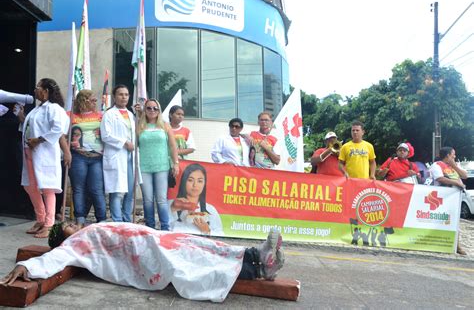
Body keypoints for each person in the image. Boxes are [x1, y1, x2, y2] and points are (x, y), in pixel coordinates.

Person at [0, 222, 285, 302]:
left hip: (152, 237)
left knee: (201, 245)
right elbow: (56, 257)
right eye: (68, 227)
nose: (74, 225)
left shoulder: (89, 229)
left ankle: (254, 254)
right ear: (64, 237)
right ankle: (259, 268)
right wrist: (30, 267)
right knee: (192, 261)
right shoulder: (74, 244)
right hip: (143, 252)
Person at [21, 78, 69, 238]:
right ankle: (40, 219)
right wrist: (22, 118)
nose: (35, 90)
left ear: (46, 91)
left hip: (44, 153)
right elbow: (30, 127)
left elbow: (58, 129)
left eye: (38, 88)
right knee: (30, 186)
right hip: (29, 152)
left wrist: (39, 139)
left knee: (48, 188)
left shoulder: (54, 108)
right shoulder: (37, 109)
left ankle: (49, 224)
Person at [135, 99, 180, 230]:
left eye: (155, 108)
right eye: (149, 108)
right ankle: (150, 227)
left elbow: (172, 146)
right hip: (144, 167)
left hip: (162, 167)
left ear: (159, 110)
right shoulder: (139, 126)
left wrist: (175, 163)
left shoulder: (165, 125)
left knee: (161, 199)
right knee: (147, 200)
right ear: (145, 110)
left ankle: (165, 228)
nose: (152, 110)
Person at [68, 90, 107, 225]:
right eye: (93, 100)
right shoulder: (71, 116)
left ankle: (102, 220)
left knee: (97, 189)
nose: (95, 103)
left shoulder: (101, 116)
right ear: (84, 101)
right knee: (78, 188)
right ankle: (80, 220)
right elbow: (63, 134)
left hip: (97, 157)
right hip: (78, 156)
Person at [100, 85, 137, 222]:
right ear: (114, 97)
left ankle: (127, 219)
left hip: (129, 157)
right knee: (116, 191)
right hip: (117, 155)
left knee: (130, 191)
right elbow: (106, 135)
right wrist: (124, 143)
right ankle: (117, 221)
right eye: (120, 94)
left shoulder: (131, 115)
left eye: (126, 94)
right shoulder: (109, 114)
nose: (124, 97)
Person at [429, 146, 468, 255]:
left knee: (454, 222)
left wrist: (454, 165)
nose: (455, 156)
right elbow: (440, 178)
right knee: (440, 220)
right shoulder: (436, 165)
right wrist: (456, 183)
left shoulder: (454, 166)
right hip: (441, 198)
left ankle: (456, 245)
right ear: (447, 155)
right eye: (453, 154)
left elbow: (464, 176)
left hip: (454, 199)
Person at [169, 163, 223, 236]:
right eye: (190, 180)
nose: (195, 185)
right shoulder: (171, 204)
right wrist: (172, 209)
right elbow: (160, 227)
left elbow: (221, 234)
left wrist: (207, 230)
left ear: (204, 184)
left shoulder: (210, 210)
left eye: (200, 181)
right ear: (184, 182)